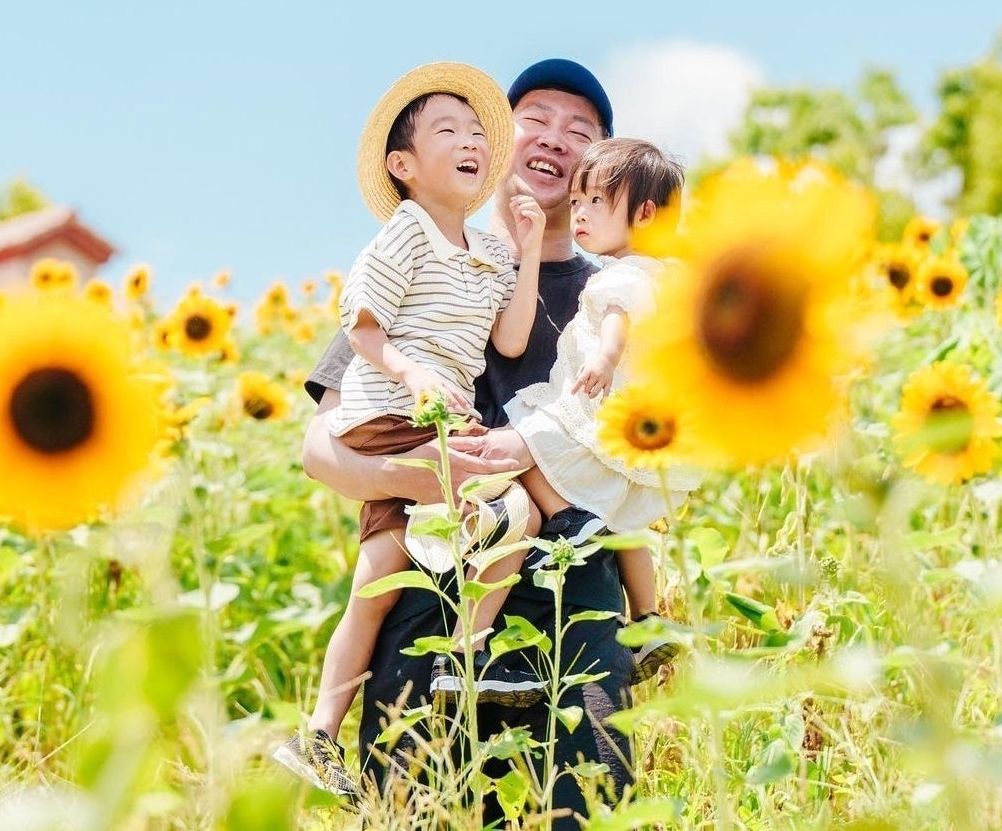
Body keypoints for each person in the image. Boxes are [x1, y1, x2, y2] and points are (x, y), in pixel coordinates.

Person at [299, 59, 636, 822]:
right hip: (426, 606)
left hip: (571, 610)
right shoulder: (421, 258)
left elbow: (647, 442)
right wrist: (415, 477)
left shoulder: (617, 296)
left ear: (601, 165)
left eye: (580, 130)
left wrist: (532, 450)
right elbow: (319, 449)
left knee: (586, 809)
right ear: (494, 141)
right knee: (419, 811)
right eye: (535, 119)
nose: (554, 137)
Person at [274, 61, 546, 797]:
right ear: (403, 165)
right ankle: (462, 663)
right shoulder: (407, 231)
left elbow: (513, 338)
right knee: (513, 507)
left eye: (477, 132)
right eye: (447, 130)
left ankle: (320, 733)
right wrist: (415, 373)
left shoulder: (487, 253)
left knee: (376, 583)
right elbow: (361, 326)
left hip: (414, 422)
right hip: (390, 416)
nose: (471, 142)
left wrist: (526, 250)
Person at [504, 136, 699, 681]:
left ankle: (568, 523)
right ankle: (650, 617)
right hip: (642, 433)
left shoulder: (623, 275)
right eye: (578, 200)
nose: (579, 212)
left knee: (526, 448)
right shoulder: (673, 274)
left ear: (644, 214)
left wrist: (605, 359)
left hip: (594, 411)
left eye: (595, 202)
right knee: (629, 524)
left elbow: (618, 316)